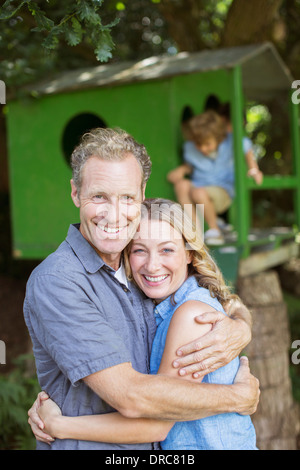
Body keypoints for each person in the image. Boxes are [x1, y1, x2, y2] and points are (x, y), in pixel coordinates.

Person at [25, 127, 258, 450]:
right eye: (99, 196)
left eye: (127, 197)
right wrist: (236, 396)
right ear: (76, 193)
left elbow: (215, 298)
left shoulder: (139, 273)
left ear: (142, 194)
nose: (114, 214)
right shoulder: (59, 281)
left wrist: (241, 326)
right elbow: (132, 398)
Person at [167, 110, 263, 245]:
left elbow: (248, 154)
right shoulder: (190, 147)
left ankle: (215, 230)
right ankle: (194, 231)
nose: (202, 149)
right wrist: (182, 170)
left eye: (207, 144)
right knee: (181, 185)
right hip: (199, 184)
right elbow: (191, 165)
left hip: (222, 191)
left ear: (219, 138)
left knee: (199, 192)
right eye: (198, 144)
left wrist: (254, 170)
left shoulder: (233, 142)